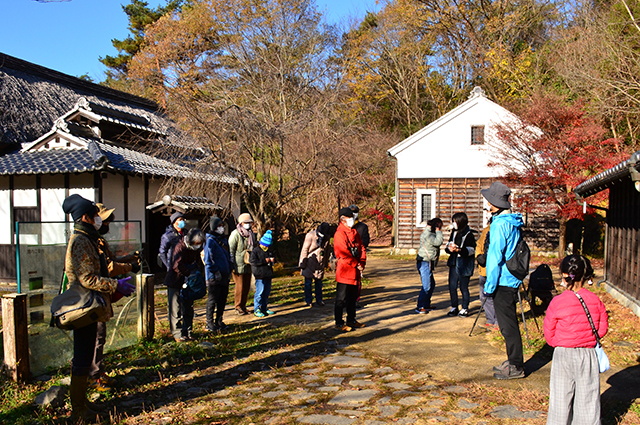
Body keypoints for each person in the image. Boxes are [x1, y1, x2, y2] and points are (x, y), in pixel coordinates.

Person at [61, 194, 135, 422]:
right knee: (83, 358)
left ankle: (82, 403)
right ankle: (79, 412)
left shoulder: (89, 238)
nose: (98, 219)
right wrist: (115, 284)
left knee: (85, 356)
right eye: (95, 215)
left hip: (92, 305)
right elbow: (87, 278)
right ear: (84, 216)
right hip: (83, 306)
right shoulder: (81, 241)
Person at [544, 255, 608, 425]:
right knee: (588, 401)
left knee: (560, 400)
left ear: (565, 276)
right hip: (588, 355)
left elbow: (549, 335)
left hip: (563, 354)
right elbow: (602, 329)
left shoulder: (557, 302)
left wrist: (564, 340)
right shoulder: (596, 301)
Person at [90, 203, 141, 392]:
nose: (108, 224)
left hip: (101, 296)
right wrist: (129, 267)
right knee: (96, 336)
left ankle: (97, 371)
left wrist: (129, 258)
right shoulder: (89, 242)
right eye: (105, 220)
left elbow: (112, 260)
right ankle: (93, 377)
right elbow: (108, 268)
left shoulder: (99, 240)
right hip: (91, 297)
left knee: (99, 336)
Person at [481, 181, 526, 380]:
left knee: (508, 326)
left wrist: (489, 287)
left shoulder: (499, 224)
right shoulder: (512, 221)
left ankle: (516, 366)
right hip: (511, 277)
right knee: (509, 324)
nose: (487, 203)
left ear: (494, 203)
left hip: (503, 280)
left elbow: (494, 257)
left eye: (489, 200)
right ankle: (513, 361)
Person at [334, 207, 366, 332]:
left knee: (352, 298)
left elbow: (362, 247)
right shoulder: (339, 234)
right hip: (345, 271)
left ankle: (351, 319)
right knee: (341, 298)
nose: (352, 219)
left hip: (356, 270)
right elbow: (342, 253)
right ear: (343, 219)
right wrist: (356, 264)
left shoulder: (355, 232)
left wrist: (362, 262)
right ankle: (339, 322)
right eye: (350, 217)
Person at [170, 228, 206, 341]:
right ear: (190, 241)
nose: (197, 246)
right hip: (175, 281)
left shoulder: (192, 249)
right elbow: (176, 265)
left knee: (188, 308)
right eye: (196, 244)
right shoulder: (179, 247)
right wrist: (189, 274)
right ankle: (178, 334)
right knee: (176, 308)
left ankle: (188, 332)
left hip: (188, 282)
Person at [204, 216, 233, 332]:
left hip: (225, 274)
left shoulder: (223, 239)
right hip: (214, 276)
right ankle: (210, 322)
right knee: (212, 299)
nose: (221, 228)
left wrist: (231, 267)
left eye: (222, 226)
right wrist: (215, 272)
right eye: (219, 226)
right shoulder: (209, 240)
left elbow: (228, 255)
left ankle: (219, 320)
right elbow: (208, 260)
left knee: (222, 299)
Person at [445, 212, 476, 317]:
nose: (453, 224)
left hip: (464, 264)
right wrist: (449, 248)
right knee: (452, 286)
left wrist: (459, 250)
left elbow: (471, 250)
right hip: (454, 263)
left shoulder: (469, 234)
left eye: (455, 221)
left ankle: (465, 308)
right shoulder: (454, 232)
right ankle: (454, 306)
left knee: (463, 287)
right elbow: (448, 244)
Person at [229, 213, 257, 315]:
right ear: (241, 223)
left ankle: (244, 306)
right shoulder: (235, 234)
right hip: (238, 265)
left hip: (248, 264)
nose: (248, 224)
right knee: (239, 287)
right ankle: (238, 306)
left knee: (246, 286)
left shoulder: (251, 234)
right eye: (246, 222)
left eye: (249, 222)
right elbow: (231, 250)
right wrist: (232, 264)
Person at [299, 222, 331, 307]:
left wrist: (326, 262)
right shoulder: (310, 235)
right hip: (309, 261)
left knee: (319, 283)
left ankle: (319, 300)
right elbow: (304, 250)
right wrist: (302, 263)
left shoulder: (327, 237)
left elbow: (327, 250)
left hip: (320, 262)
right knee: (308, 283)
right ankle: (308, 300)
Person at [415, 218, 443, 314]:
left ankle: (426, 304)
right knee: (427, 286)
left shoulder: (428, 233)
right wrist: (439, 232)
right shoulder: (428, 235)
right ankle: (420, 306)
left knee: (431, 284)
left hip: (427, 262)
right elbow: (438, 242)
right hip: (424, 262)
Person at [476, 220, 499, 330]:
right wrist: (479, 257)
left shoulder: (501, 230)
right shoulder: (486, 230)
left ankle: (498, 321)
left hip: (496, 269)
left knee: (497, 296)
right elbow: (479, 245)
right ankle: (490, 319)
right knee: (484, 295)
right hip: (484, 268)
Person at [250, 230, 275, 317]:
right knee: (259, 293)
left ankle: (264, 307)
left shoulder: (269, 251)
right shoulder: (255, 251)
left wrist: (272, 261)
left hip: (268, 274)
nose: (266, 247)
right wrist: (264, 261)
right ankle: (257, 309)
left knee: (266, 293)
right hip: (259, 275)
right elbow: (253, 261)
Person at [349, 204, 369, 308]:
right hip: (347, 256)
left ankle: (356, 299)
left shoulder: (362, 227)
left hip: (358, 255)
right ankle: (346, 299)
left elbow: (366, 242)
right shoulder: (344, 226)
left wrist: (358, 247)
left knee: (357, 280)